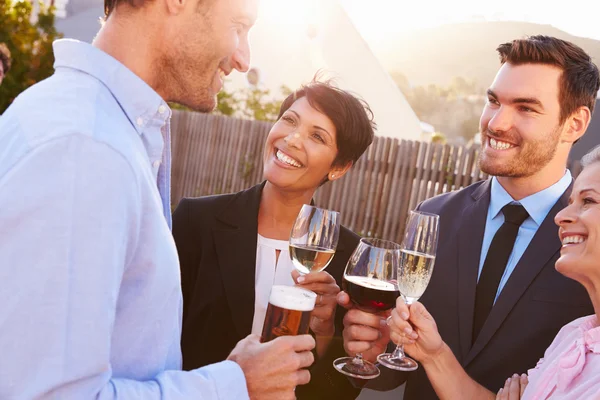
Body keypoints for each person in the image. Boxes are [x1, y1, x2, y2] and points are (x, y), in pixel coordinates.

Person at [0, 0, 317, 398]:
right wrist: (236, 385)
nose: (243, 58)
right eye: (238, 25)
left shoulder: (97, 127)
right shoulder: (85, 148)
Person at [338, 35, 600, 398]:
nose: (496, 123)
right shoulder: (434, 216)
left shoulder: (588, 241)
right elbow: (396, 372)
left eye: (525, 108)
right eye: (493, 101)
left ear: (575, 124)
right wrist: (375, 351)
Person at [172, 79, 375, 400]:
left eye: (317, 136)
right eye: (290, 120)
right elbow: (155, 343)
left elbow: (334, 393)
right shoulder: (195, 220)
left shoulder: (350, 256)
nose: (292, 139)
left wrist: (325, 332)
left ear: (339, 167)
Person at [388, 144, 600, 399]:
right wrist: (434, 354)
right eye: (571, 202)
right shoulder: (573, 336)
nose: (561, 216)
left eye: (588, 201)